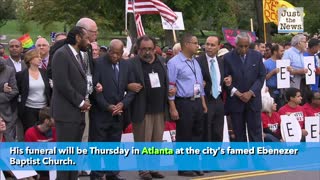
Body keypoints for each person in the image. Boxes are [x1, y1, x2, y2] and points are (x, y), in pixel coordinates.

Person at [127, 35, 174, 180]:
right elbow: (122, 81)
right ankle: (143, 170)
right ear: (137, 49)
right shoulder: (131, 63)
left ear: (154, 49)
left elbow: (166, 81)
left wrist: (170, 91)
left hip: (159, 108)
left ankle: (154, 168)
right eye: (143, 49)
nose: (147, 52)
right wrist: (128, 86)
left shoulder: (161, 61)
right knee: (143, 141)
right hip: (142, 109)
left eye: (150, 49)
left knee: (156, 141)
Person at [89, 39, 134, 180]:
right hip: (101, 113)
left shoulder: (126, 65)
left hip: (118, 112)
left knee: (114, 144)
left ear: (122, 53)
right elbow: (94, 89)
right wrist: (107, 106)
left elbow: (132, 88)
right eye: (112, 53)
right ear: (108, 50)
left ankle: (112, 173)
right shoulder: (98, 64)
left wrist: (123, 104)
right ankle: (96, 175)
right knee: (97, 145)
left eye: (118, 53)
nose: (115, 56)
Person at [51, 26, 91, 180]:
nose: (88, 41)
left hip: (76, 113)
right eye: (86, 38)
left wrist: (84, 99)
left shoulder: (77, 55)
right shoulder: (62, 54)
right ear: (78, 38)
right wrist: (80, 102)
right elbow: (62, 84)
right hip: (66, 114)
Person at [167, 33, 207, 177]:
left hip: (196, 101)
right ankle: (183, 167)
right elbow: (170, 86)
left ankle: (195, 164)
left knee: (197, 134)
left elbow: (199, 84)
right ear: (186, 44)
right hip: (183, 102)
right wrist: (172, 107)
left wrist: (202, 102)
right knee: (185, 135)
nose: (198, 46)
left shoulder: (195, 62)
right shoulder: (174, 63)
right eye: (195, 43)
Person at [224, 32, 266, 142]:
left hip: (253, 101)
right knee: (239, 135)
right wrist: (237, 93)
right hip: (236, 102)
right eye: (240, 46)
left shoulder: (256, 56)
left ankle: (258, 158)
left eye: (246, 46)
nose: (243, 49)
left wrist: (250, 92)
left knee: (256, 133)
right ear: (235, 45)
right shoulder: (227, 58)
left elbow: (261, 77)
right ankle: (241, 159)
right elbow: (225, 79)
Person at [196, 36, 231, 142]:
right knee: (206, 133)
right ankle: (207, 157)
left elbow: (222, 79)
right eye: (207, 44)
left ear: (218, 47)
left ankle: (216, 156)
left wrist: (228, 81)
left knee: (218, 132)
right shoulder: (198, 61)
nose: (209, 47)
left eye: (212, 45)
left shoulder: (221, 61)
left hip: (218, 100)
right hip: (205, 100)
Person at [16, 49, 51, 132]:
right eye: (37, 57)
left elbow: (49, 90)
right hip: (29, 110)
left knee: (44, 134)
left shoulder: (44, 73)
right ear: (30, 59)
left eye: (40, 57)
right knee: (31, 134)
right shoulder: (21, 75)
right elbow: (18, 92)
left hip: (44, 110)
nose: (40, 59)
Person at [0, 60, 18, 138]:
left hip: (5, 113)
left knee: (8, 142)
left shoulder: (9, 70)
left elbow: (14, 91)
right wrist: (3, 91)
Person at [264, 44, 285, 109]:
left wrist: (289, 70)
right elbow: (263, 78)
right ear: (275, 52)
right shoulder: (266, 63)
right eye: (281, 51)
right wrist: (272, 72)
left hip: (281, 91)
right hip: (271, 91)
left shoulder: (283, 62)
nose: (283, 53)